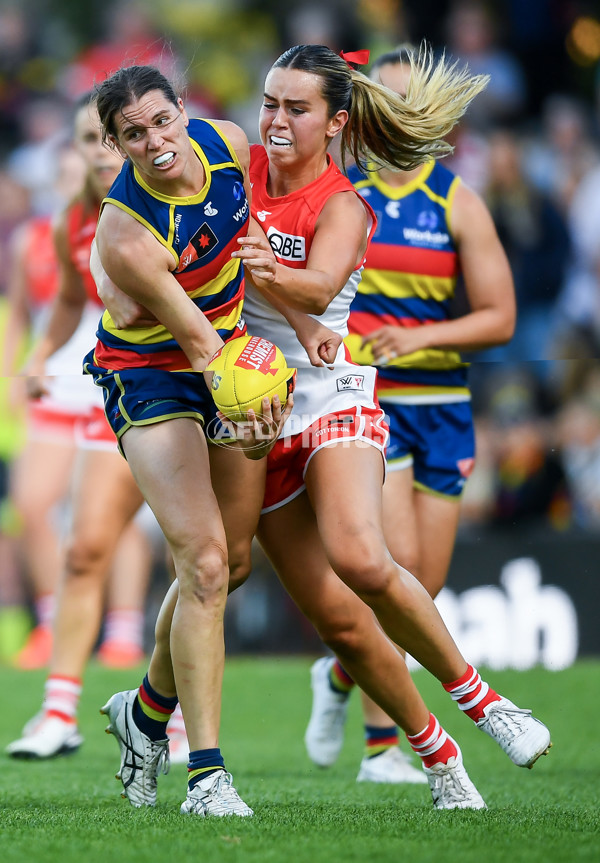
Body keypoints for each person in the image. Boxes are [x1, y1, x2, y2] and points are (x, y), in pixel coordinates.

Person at [106, 46, 550, 813]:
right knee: (236, 573)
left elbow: (316, 279)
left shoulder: (343, 203)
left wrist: (278, 284)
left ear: (337, 121)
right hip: (247, 398)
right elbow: (150, 189)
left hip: (331, 391)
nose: (275, 120)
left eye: (297, 108)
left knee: (361, 556)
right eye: (270, 102)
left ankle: (486, 704)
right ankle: (429, 755)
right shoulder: (228, 159)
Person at [301, 46, 516, 783]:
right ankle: (380, 749)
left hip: (444, 406)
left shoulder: (455, 199)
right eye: (380, 97)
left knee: (425, 578)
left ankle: (334, 676)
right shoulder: (340, 193)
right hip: (369, 399)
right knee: (385, 572)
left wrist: (423, 334)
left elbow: (501, 317)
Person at [4, 94, 156, 759]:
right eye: (85, 139)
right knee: (84, 544)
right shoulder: (71, 220)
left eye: (108, 137)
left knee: (207, 563)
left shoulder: (165, 202)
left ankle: (168, 718)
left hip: (180, 394)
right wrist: (34, 356)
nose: (97, 151)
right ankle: (59, 707)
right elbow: (68, 298)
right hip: (116, 389)